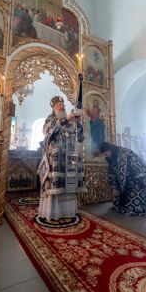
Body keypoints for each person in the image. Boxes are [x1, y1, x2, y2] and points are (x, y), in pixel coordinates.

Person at [37, 96, 84, 224]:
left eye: (63, 105)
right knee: (55, 185)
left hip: (69, 159)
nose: (62, 107)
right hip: (55, 160)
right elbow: (49, 132)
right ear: (53, 108)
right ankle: (53, 211)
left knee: (68, 184)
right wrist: (65, 119)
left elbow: (80, 137)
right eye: (59, 105)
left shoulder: (69, 121)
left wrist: (78, 124)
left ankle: (68, 211)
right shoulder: (50, 120)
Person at [98, 142, 146, 216]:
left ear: (110, 149)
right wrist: (114, 188)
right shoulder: (111, 158)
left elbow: (139, 170)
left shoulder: (126, 153)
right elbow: (112, 174)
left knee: (133, 208)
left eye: (106, 154)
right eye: (104, 155)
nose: (106, 156)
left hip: (139, 179)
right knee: (119, 205)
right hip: (126, 182)